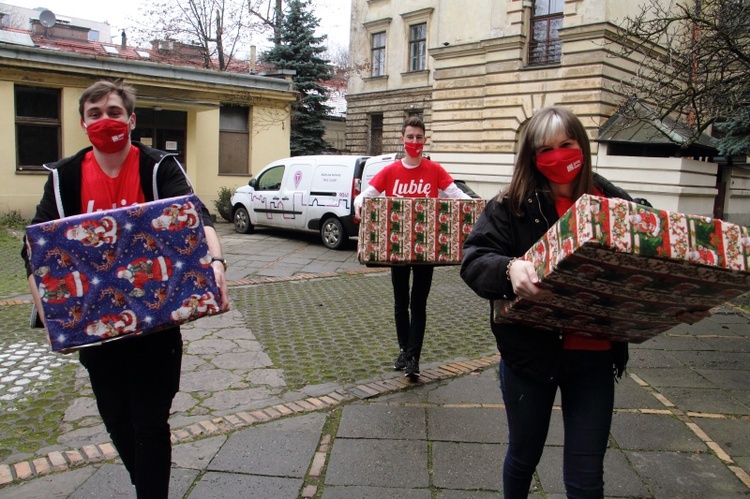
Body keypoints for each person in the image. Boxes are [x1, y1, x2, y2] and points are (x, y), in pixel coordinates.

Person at [460, 106, 708, 498]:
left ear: (582, 146)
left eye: (566, 144)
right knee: (523, 458)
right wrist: (509, 270)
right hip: (529, 357)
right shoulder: (511, 206)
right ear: (531, 155)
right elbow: (473, 260)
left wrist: (679, 301)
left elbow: (648, 263)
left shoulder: (613, 203)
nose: (558, 156)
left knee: (586, 476)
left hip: (594, 357)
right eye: (546, 149)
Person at [21, 80, 230, 499]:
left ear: (131, 120)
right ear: (83, 123)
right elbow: (37, 249)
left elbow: (194, 217)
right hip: (96, 329)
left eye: (114, 112)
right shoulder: (64, 178)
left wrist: (217, 263)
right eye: (95, 114)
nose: (105, 121)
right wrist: (40, 299)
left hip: (157, 323)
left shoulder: (158, 168)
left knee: (150, 423)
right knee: (118, 421)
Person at [354, 116, 470, 380]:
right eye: (410, 137)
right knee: (400, 303)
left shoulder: (435, 170)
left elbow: (458, 197)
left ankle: (414, 357)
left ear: (424, 140)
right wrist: (359, 203)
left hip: (426, 251)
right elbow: (366, 195)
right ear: (402, 139)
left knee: (419, 304)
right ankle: (404, 350)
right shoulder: (391, 171)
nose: (414, 142)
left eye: (419, 137)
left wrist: (480, 208)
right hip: (397, 250)